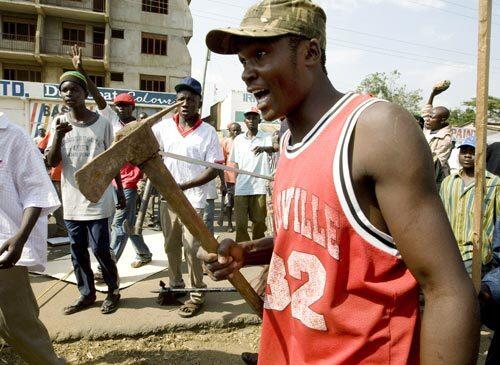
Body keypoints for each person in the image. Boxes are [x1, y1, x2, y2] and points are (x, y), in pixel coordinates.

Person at [200, 1, 479, 364]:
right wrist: (247, 252)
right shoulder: (289, 141)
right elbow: (325, 239)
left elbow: (447, 292)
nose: (247, 73)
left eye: (262, 54)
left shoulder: (375, 130)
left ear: (310, 52)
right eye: (243, 61)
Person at [46, 70, 124, 315]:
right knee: (77, 250)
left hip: (98, 197)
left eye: (75, 89)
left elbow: (112, 160)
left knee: (100, 248)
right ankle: (87, 294)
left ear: (85, 93)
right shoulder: (58, 123)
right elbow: (51, 161)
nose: (69, 94)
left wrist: (119, 190)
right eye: (65, 90)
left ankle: (113, 291)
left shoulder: (101, 124)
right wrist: (58, 135)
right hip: (71, 199)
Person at [70, 45, 153, 268]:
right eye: (118, 105)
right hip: (112, 180)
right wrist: (82, 71)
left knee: (119, 223)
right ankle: (144, 254)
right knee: (127, 222)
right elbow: (97, 97)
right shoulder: (112, 121)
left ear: (132, 107)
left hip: (129, 183)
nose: (121, 108)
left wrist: (144, 178)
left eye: (126, 105)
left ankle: (108, 263)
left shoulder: (140, 127)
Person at [152, 76, 223, 317]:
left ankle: (196, 293)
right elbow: (147, 153)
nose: (185, 103)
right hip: (167, 200)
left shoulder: (208, 132)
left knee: (192, 249)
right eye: (180, 98)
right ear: (175, 102)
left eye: (191, 99)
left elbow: (214, 168)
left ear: (199, 103)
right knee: (171, 246)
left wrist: (185, 186)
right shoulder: (161, 128)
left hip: (194, 201)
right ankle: (176, 286)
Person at [0, 112, 65, 365]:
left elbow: (37, 192)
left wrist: (20, 238)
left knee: (17, 321)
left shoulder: (13, 137)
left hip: (4, 244)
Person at [440, 136, 500, 275]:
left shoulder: (493, 183)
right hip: (448, 251)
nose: (467, 155)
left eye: (473, 152)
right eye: (464, 151)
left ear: (484, 155)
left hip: (475, 254)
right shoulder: (448, 182)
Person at [230, 111, 273, 243]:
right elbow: (235, 164)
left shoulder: (267, 138)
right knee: (241, 224)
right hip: (241, 188)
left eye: (254, 118)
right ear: (245, 121)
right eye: (248, 118)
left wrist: (265, 148)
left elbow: (274, 149)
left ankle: (257, 249)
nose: (251, 120)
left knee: (259, 222)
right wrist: (232, 185)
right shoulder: (238, 140)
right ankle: (244, 250)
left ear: (259, 121)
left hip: (259, 187)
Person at [421, 81, 453, 187]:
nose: (427, 119)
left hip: (436, 178)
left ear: (442, 120)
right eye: (428, 116)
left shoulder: (446, 139)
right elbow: (426, 111)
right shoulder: (430, 127)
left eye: (431, 117)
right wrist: (433, 94)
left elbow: (437, 163)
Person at [218, 122, 242, 232]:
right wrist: (222, 180)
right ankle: (229, 224)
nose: (236, 132)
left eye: (238, 130)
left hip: (243, 178)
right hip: (230, 177)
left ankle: (241, 224)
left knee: (241, 203)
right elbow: (221, 161)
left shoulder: (244, 142)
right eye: (234, 130)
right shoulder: (225, 142)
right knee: (229, 203)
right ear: (230, 131)